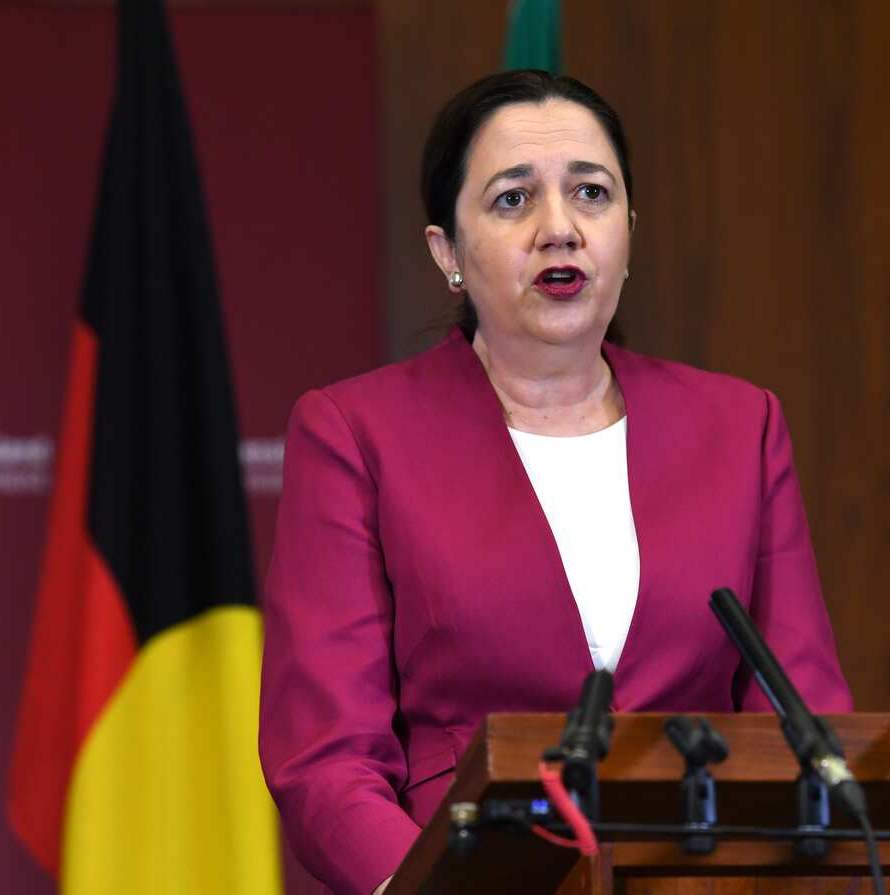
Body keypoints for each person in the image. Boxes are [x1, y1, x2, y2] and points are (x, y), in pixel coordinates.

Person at [258, 70, 852, 895]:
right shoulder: (356, 434)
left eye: (591, 193)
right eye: (512, 201)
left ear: (629, 231)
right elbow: (326, 756)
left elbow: (801, 713)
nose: (560, 228)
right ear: (447, 253)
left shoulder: (738, 426)